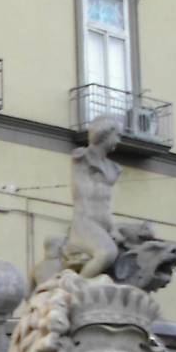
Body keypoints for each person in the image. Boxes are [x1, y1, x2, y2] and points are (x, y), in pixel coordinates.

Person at [63, 114, 122, 279]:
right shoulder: (81, 157)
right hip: (85, 222)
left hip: (103, 224)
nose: (119, 141)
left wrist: (113, 228)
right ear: (105, 134)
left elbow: (106, 204)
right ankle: (77, 286)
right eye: (117, 135)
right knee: (107, 253)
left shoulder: (114, 168)